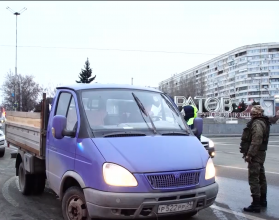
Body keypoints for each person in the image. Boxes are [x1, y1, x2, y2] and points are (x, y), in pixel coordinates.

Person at [240, 105, 271, 213]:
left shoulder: (257, 123)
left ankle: (255, 204)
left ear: (257, 114)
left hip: (256, 154)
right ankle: (263, 201)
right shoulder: (263, 122)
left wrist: (250, 155)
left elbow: (256, 140)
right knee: (261, 177)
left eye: (253, 113)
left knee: (254, 178)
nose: (251, 114)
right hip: (260, 154)